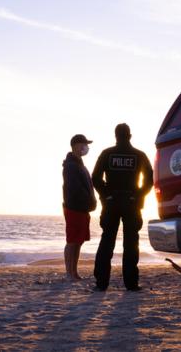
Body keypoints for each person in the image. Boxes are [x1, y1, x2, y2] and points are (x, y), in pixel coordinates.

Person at [91, 123, 153, 291]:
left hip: (112, 204)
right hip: (131, 204)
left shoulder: (107, 154)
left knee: (107, 242)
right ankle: (131, 284)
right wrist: (138, 195)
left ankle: (101, 283)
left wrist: (106, 195)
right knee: (131, 244)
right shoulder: (139, 155)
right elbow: (149, 180)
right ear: (130, 136)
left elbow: (95, 178)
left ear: (115, 136)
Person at [62, 134, 97, 280]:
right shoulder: (71, 165)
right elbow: (75, 188)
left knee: (78, 241)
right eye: (84, 144)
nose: (86, 147)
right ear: (76, 145)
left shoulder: (79, 164)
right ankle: (69, 272)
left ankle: (73, 272)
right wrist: (88, 201)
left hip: (82, 208)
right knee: (72, 241)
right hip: (74, 207)